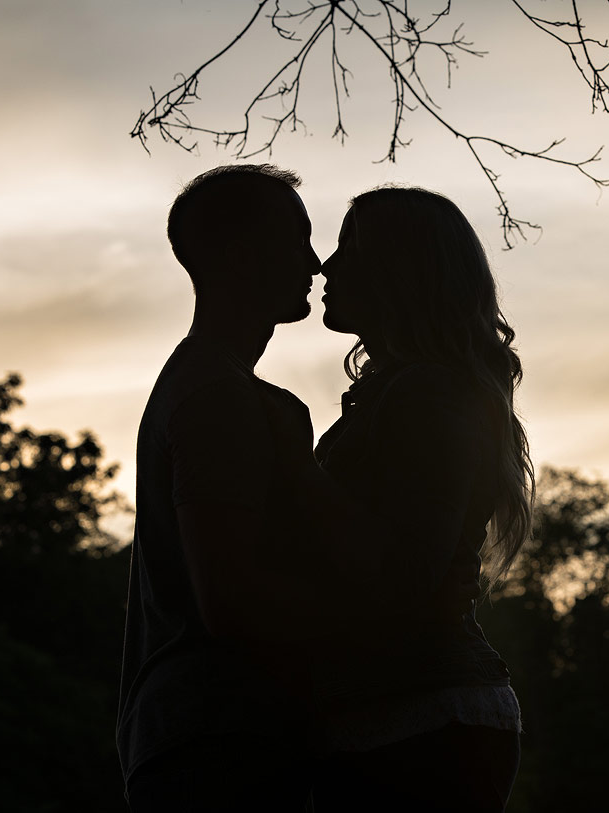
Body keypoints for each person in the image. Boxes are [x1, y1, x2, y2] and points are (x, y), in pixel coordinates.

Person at [116, 166, 479, 812]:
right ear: (238, 252)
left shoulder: (222, 390)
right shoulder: (221, 399)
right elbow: (232, 603)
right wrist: (402, 625)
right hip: (217, 741)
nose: (316, 263)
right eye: (299, 238)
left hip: (215, 735)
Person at [305, 186, 534, 812]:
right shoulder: (409, 392)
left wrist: (295, 474)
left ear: (399, 270)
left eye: (350, 248)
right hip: (401, 715)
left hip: (424, 722)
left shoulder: (429, 395)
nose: (326, 264)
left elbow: (409, 574)